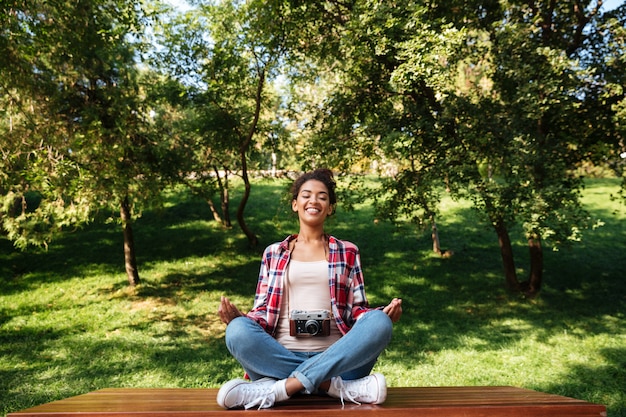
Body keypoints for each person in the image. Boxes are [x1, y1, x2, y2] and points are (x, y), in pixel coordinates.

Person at [217, 168, 403, 410]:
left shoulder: (347, 251)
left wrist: (379, 315)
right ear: (295, 204)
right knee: (237, 331)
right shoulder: (274, 253)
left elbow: (356, 310)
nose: (313, 200)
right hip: (280, 357)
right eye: (306, 195)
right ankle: (332, 388)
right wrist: (241, 319)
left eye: (322, 197)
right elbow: (262, 311)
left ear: (330, 208)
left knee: (379, 323)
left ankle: (282, 388)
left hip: (338, 362)